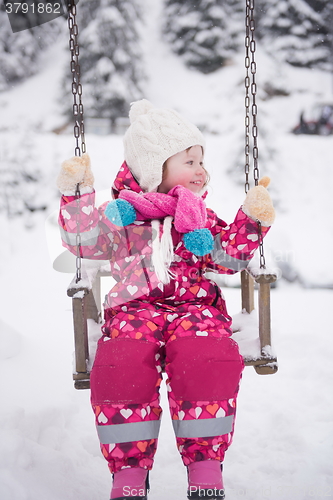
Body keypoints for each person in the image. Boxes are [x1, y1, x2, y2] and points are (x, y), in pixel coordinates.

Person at [57, 99, 275, 500]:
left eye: (201, 161)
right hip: (133, 310)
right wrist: (76, 198)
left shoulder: (199, 216)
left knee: (206, 357)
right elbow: (83, 243)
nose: (201, 170)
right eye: (189, 161)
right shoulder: (120, 216)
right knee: (121, 366)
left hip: (196, 310)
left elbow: (226, 259)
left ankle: (206, 464)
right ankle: (128, 472)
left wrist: (251, 221)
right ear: (155, 168)